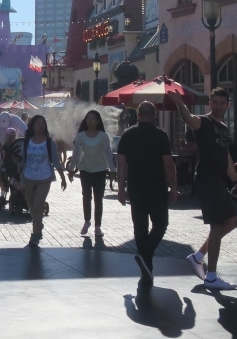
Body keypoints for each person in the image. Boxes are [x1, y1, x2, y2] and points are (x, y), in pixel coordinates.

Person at [173, 89, 237, 291]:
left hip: (220, 181)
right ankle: (211, 276)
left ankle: (198, 257)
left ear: (228, 105)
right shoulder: (203, 122)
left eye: (222, 102)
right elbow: (189, 118)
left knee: (231, 222)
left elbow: (227, 158)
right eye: (215, 102)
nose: (218, 105)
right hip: (207, 180)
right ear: (210, 103)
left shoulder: (223, 127)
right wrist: (180, 103)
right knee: (217, 226)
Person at [117, 102, 178, 285]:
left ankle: (146, 264)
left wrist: (121, 189)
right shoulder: (160, 135)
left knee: (140, 227)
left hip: (136, 187)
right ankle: (146, 257)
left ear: (138, 115)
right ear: (154, 115)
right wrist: (173, 187)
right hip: (157, 187)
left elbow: (121, 164)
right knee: (161, 224)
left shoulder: (128, 134)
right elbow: (168, 164)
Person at [20, 115, 68, 246]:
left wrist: (63, 178)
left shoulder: (49, 142)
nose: (40, 125)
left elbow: (56, 161)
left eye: (43, 123)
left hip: (44, 178)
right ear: (33, 126)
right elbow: (23, 161)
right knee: (31, 208)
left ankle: (34, 235)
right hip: (29, 177)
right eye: (38, 123)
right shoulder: (27, 141)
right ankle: (39, 225)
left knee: (38, 206)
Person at [69, 109, 116, 237]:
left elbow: (107, 154)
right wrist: (71, 169)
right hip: (85, 170)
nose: (90, 120)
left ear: (98, 121)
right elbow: (76, 154)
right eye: (88, 118)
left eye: (93, 118)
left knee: (98, 199)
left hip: (100, 170)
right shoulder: (80, 136)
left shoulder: (103, 136)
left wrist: (112, 170)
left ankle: (97, 226)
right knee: (86, 196)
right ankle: (87, 221)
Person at [0, 111, 28, 206]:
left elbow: (25, 131)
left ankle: (3, 195)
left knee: (11, 172)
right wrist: (1, 148)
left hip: (13, 149)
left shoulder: (15, 119)